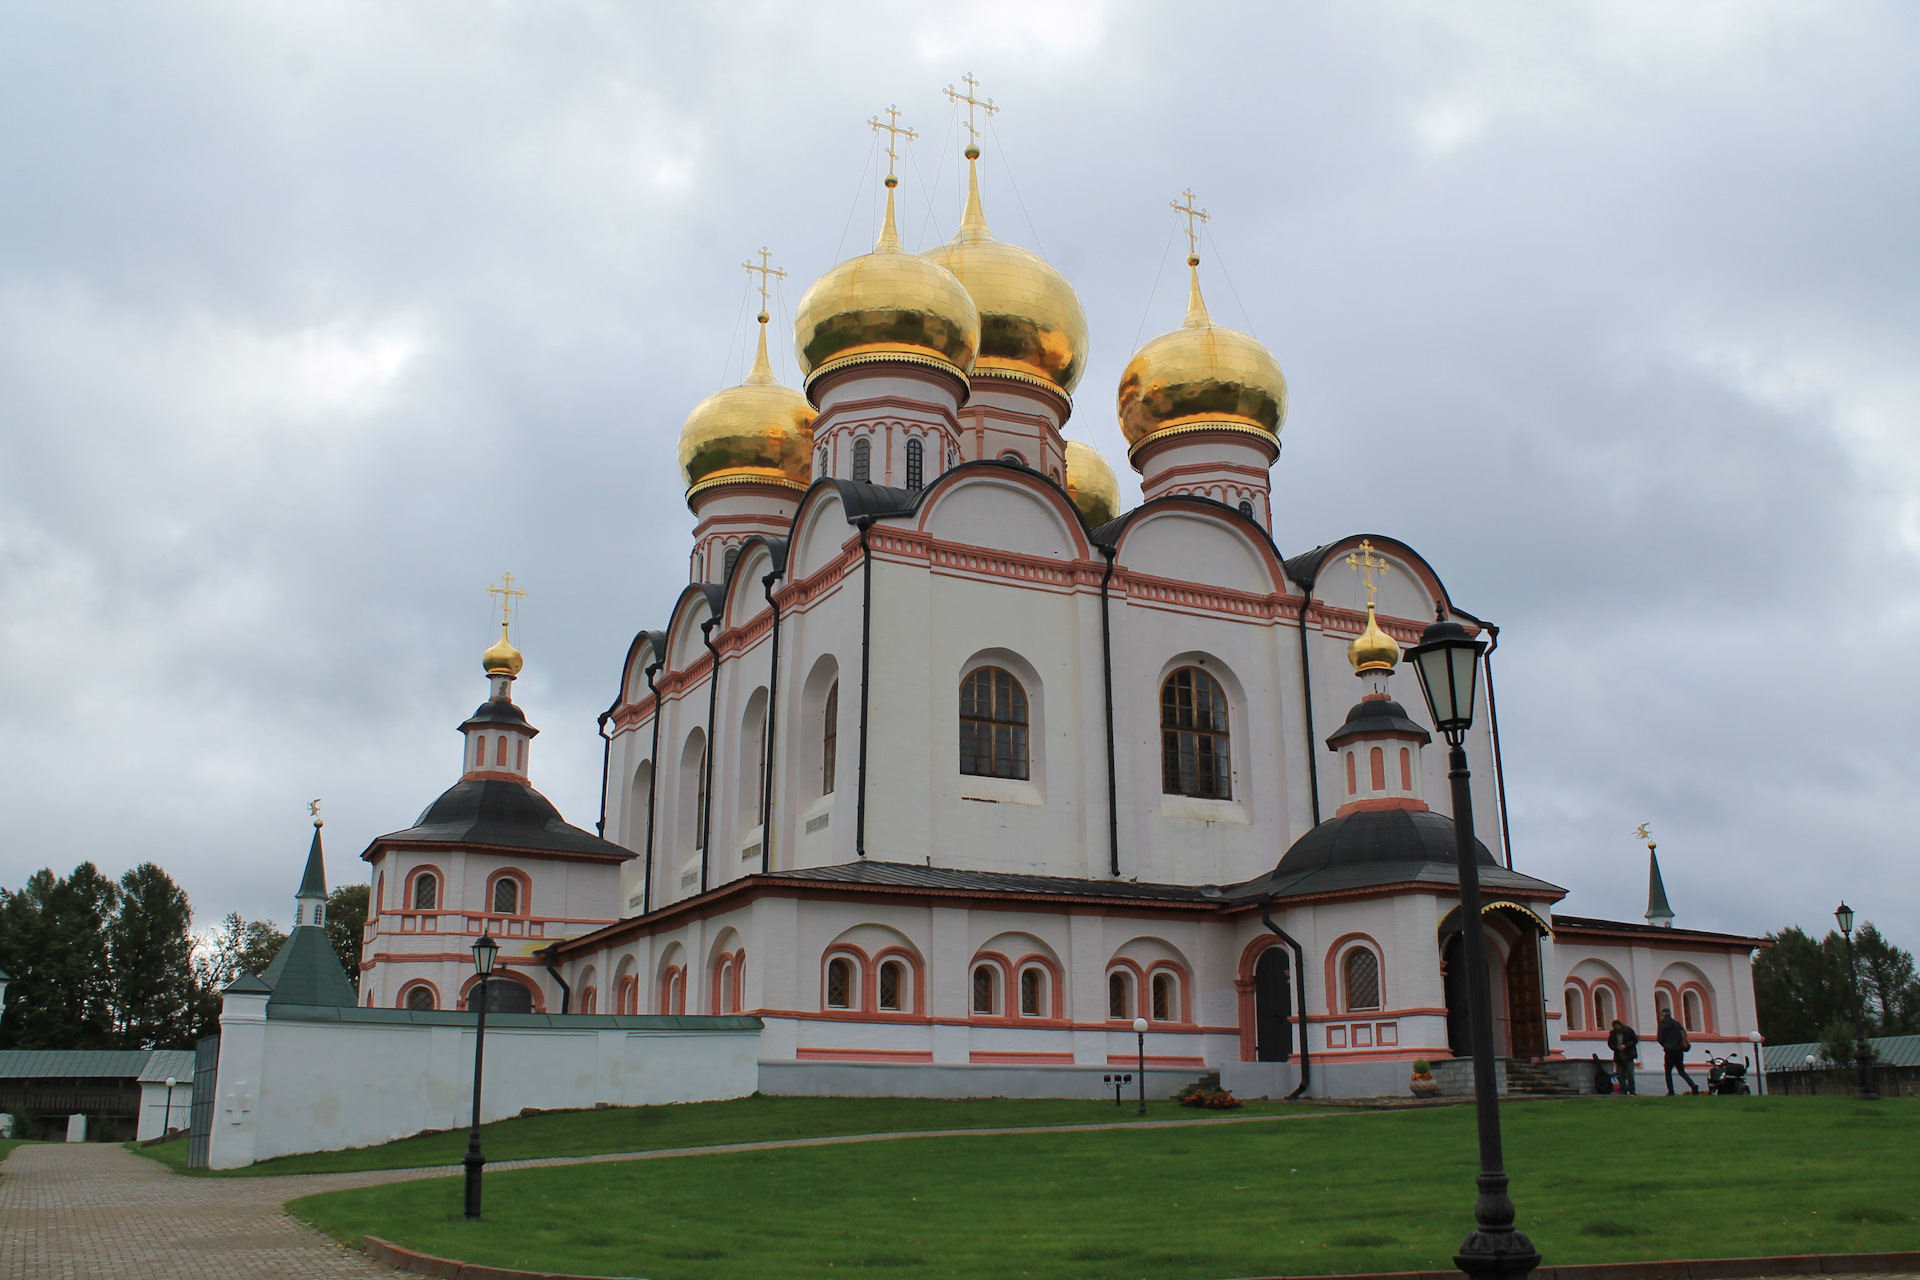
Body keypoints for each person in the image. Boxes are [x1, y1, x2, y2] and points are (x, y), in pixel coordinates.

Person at [1657, 1009, 1698, 1095]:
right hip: (1679, 1051)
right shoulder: (1677, 1024)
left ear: (1663, 1015)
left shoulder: (1662, 1024)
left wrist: (1666, 1045)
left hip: (1669, 1051)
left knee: (1668, 1072)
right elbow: (1684, 1035)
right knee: (1681, 1070)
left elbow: (1660, 1038)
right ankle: (1692, 1084)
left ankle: (1671, 1091)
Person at [1606, 1018, 1640, 1094]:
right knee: (1620, 1074)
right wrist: (1616, 1048)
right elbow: (1610, 1043)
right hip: (1619, 1056)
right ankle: (1623, 1089)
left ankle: (1632, 1090)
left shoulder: (1628, 1031)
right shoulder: (1613, 1033)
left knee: (1630, 1074)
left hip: (1628, 1055)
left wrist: (1626, 1046)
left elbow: (1635, 1040)